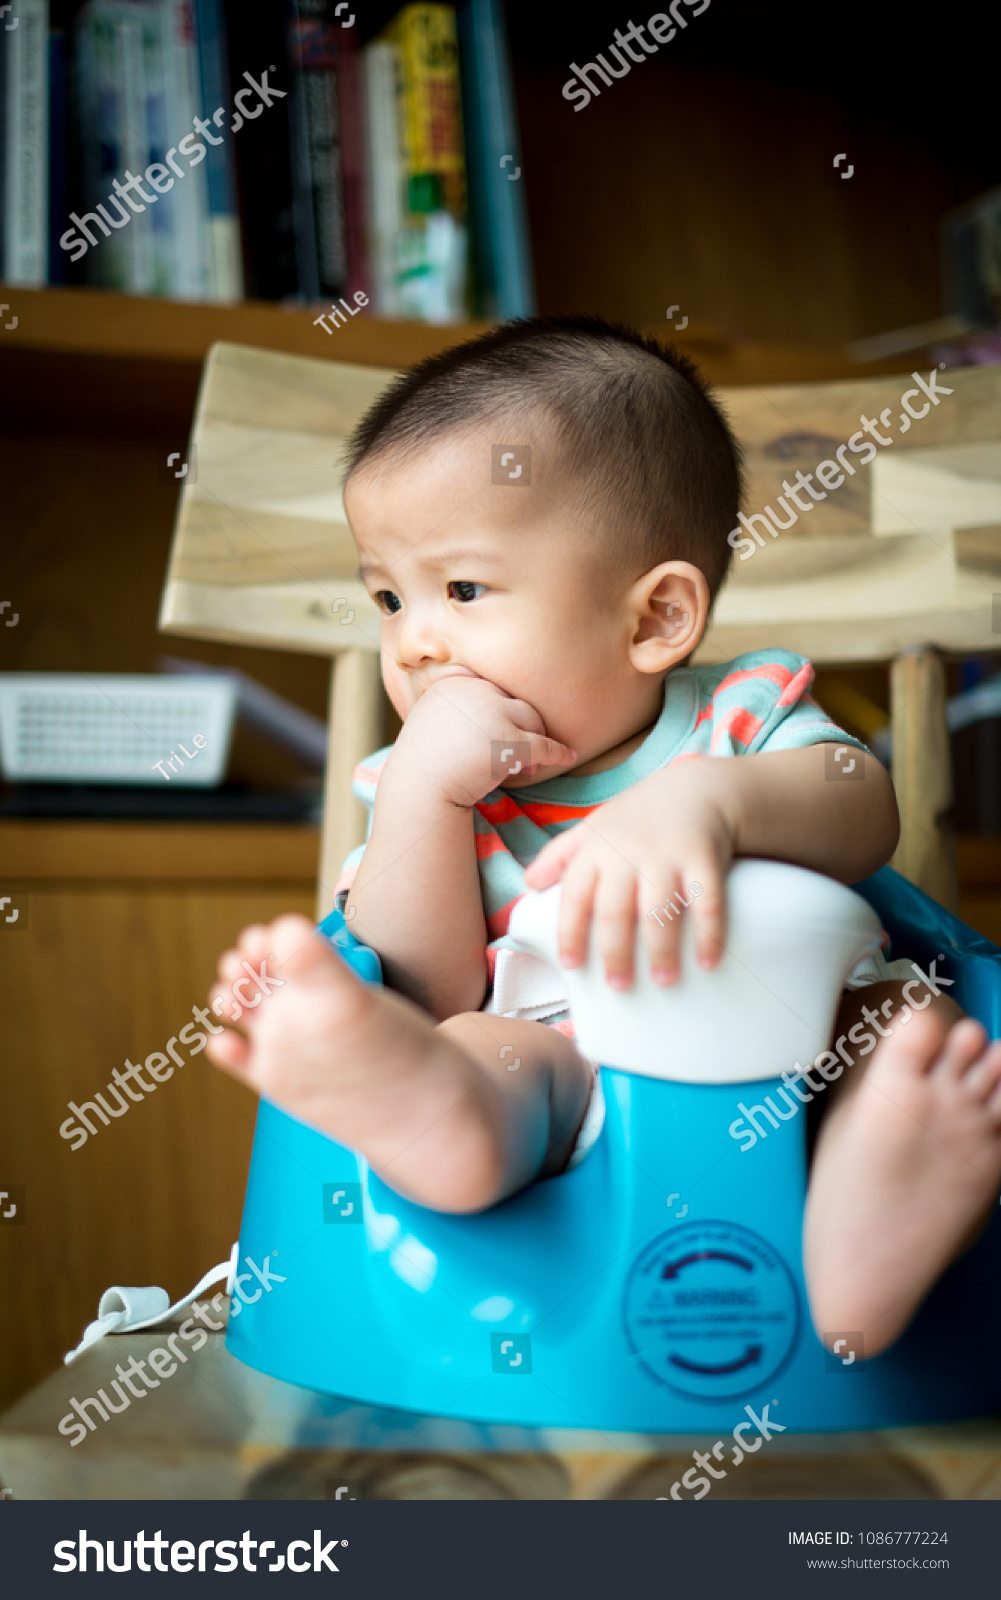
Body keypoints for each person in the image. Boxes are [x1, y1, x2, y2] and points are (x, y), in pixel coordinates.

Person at [205, 317, 1001, 1358]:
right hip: (558, 1054)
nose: (414, 640)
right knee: (472, 1049)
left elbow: (863, 812)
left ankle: (868, 1235)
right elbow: (429, 983)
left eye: (462, 589)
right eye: (388, 598)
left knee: (902, 1029)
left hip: (805, 1038)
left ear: (653, 619)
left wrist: (712, 802)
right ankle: (421, 1114)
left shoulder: (740, 717)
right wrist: (423, 801)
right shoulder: (425, 789)